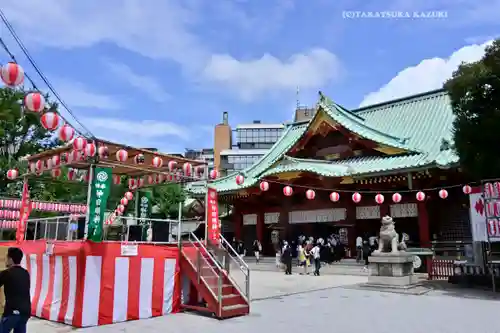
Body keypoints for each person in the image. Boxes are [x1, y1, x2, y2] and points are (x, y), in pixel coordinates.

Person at [0, 247, 31, 333]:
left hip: (12, 312)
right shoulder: (25, 273)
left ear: (10, 259)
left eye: (6, 258)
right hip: (25, 312)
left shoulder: (6, 273)